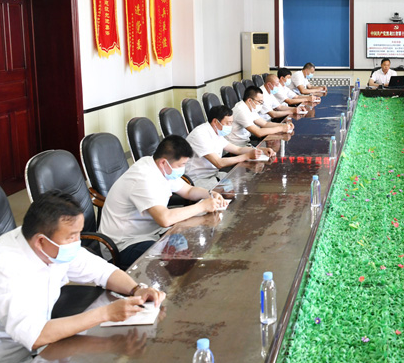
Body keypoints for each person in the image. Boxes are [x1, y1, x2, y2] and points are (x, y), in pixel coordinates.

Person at [0, 191, 165, 363]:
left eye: (79, 233)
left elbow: (102, 271)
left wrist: (137, 289)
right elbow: (36, 335)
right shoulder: (3, 268)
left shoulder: (50, 245)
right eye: (72, 236)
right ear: (40, 241)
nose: (78, 241)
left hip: (28, 351)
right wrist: (106, 313)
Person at [99, 135, 228, 267]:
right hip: (124, 245)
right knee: (175, 261)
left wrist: (210, 194)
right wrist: (202, 206)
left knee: (192, 242)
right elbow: (164, 219)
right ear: (163, 162)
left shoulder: (160, 167)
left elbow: (188, 191)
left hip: (149, 233)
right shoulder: (143, 178)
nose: (183, 168)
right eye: (181, 165)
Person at [185, 105, 271, 189]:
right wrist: (247, 156)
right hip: (197, 179)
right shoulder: (200, 135)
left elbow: (238, 149)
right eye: (227, 123)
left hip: (213, 175)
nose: (230, 126)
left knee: (243, 182)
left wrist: (261, 150)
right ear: (215, 122)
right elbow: (219, 163)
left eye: (231, 123)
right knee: (228, 191)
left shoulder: (216, 132)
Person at [228, 86, 293, 144]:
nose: (261, 104)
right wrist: (281, 128)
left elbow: (265, 124)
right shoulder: (241, 110)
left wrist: (284, 125)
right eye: (259, 101)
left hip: (245, 141)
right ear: (249, 100)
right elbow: (258, 132)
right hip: (236, 145)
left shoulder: (249, 107)